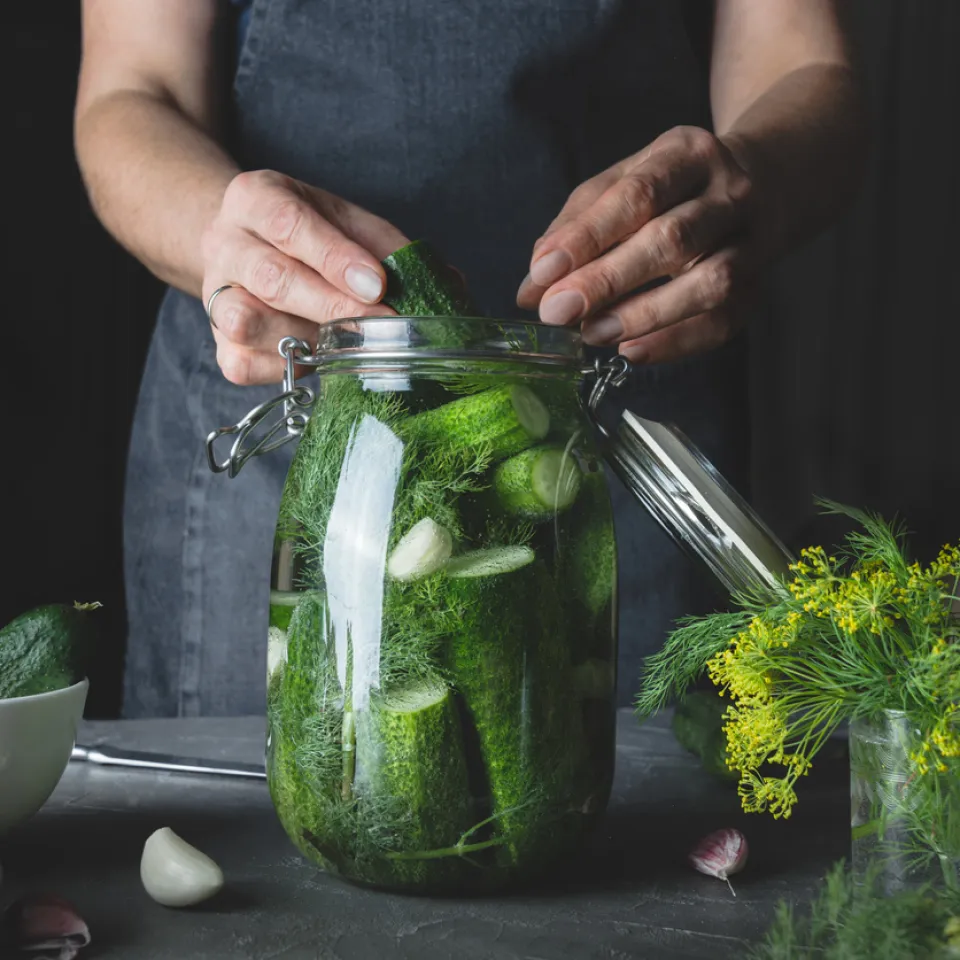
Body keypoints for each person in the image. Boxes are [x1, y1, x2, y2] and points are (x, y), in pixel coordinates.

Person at [74, 0, 866, 718]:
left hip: (613, 423)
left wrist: (755, 178)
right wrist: (228, 238)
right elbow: (133, 89)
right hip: (302, 408)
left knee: (632, 805)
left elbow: (802, 59)